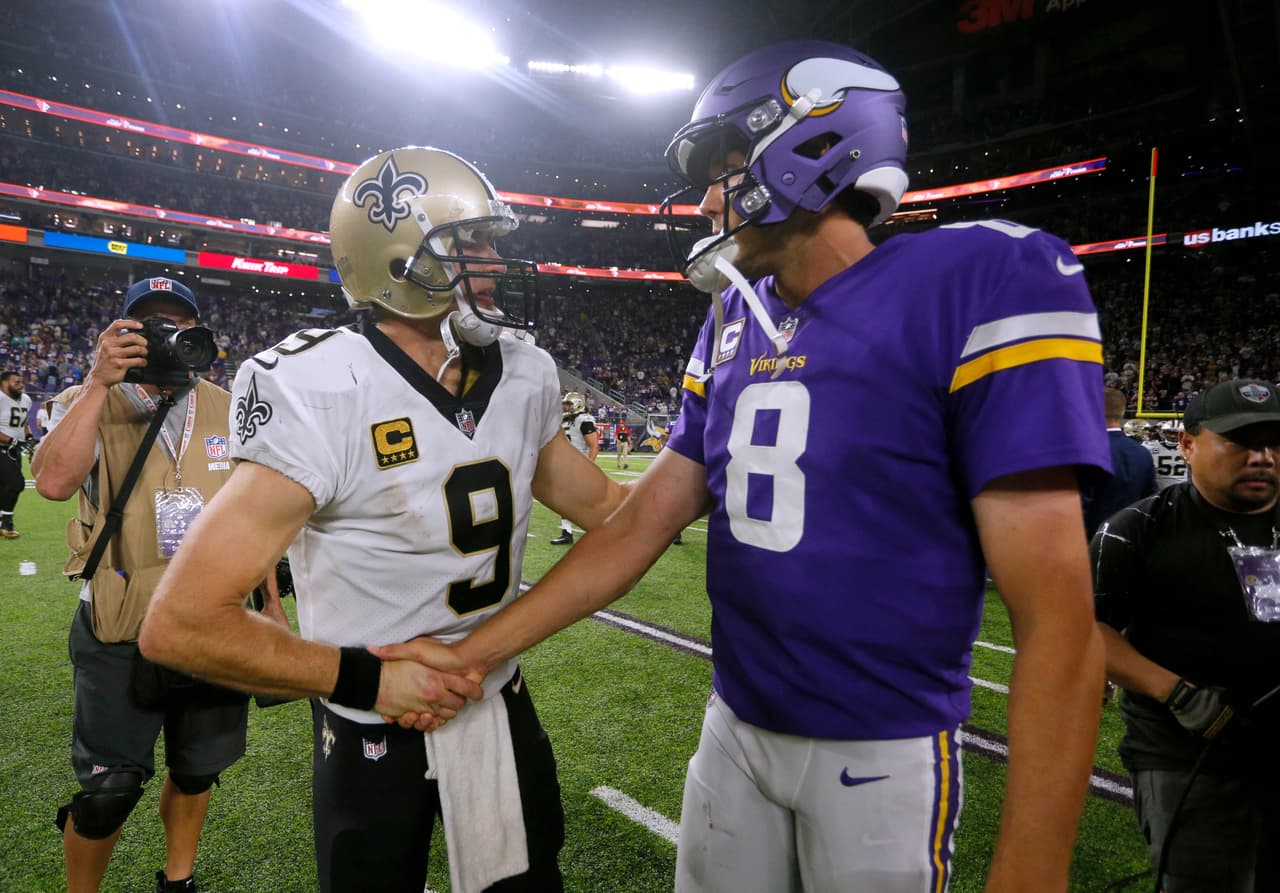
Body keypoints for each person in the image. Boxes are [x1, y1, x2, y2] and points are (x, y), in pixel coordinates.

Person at [382, 40, 1110, 892]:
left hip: (881, 747)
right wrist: (470, 651)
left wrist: (1033, 870)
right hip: (734, 725)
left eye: (721, 168)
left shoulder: (981, 277)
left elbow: (1059, 620)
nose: (705, 201)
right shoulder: (736, 316)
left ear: (806, 146)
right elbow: (640, 524)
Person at [138, 146, 628, 893]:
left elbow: (608, 511)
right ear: (398, 257)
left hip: (495, 691)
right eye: (472, 245)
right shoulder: (317, 383)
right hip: (369, 717)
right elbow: (180, 621)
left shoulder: (524, 370)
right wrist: (368, 678)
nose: (495, 262)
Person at [31, 278, 264, 893]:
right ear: (121, 331)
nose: (165, 336)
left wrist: (270, 606)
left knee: (196, 772)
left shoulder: (233, 404)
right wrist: (100, 381)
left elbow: (256, 509)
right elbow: (54, 482)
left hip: (211, 621)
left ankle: (178, 881)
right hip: (118, 619)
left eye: (178, 324)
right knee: (108, 793)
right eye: (148, 324)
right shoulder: (88, 399)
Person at [1091, 378, 1280, 892]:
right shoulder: (1138, 530)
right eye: (1241, 441)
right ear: (1188, 445)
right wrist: (1174, 692)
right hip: (1187, 757)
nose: (1262, 456)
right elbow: (1088, 629)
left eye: (1273, 443)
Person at [1081, 387, 1157, 537]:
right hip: (1130, 540)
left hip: (1091, 541)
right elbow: (1150, 502)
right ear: (1122, 412)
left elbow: (1079, 506)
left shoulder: (1086, 452)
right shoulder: (1143, 453)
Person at [551, 391, 598, 544]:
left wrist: (589, 467)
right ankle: (566, 533)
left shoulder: (585, 420)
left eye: (569, 404)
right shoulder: (565, 420)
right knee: (563, 500)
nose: (565, 406)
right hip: (566, 465)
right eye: (565, 404)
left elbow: (594, 446)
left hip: (580, 465)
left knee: (583, 502)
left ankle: (600, 530)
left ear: (577, 404)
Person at [0, 369, 33, 538]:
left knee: (5, 487)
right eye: (16, 382)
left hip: (15, 450)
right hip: (2, 448)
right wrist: (11, 440)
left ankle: (2, 520)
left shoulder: (26, 399)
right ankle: (6, 521)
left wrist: (29, 437)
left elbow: (24, 421)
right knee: (17, 483)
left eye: (22, 382)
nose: (21, 385)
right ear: (4, 383)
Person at [1145, 420, 1189, 490]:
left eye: (1176, 433)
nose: (1173, 436)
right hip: (1158, 490)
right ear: (1163, 433)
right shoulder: (1150, 448)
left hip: (1182, 490)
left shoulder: (1189, 449)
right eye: (1169, 432)